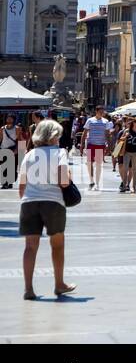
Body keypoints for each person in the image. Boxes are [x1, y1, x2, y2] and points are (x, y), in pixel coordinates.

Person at [19, 119, 76, 301]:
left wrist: (30, 198)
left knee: (30, 247)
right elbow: (63, 181)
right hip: (53, 203)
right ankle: (59, 284)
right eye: (58, 135)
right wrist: (68, 175)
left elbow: (22, 186)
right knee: (57, 245)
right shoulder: (60, 153)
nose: (59, 139)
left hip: (29, 202)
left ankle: (28, 289)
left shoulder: (29, 155)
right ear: (52, 137)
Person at [82, 106, 111, 191]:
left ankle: (97, 184)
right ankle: (91, 181)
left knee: (98, 165)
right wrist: (82, 145)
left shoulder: (106, 121)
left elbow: (107, 134)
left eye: (103, 112)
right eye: (100, 111)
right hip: (91, 144)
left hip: (100, 145)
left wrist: (109, 145)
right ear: (96, 111)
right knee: (89, 163)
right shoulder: (90, 120)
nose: (102, 113)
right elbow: (85, 132)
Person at [119, 118, 136, 193]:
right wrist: (125, 136)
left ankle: (134, 187)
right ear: (133, 123)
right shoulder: (127, 131)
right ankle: (124, 185)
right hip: (127, 152)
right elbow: (121, 139)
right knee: (125, 169)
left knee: (135, 170)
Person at [0, 114, 17, 189]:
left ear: (13, 120)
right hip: (3, 148)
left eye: (10, 119)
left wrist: (17, 150)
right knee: (3, 167)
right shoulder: (2, 129)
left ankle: (10, 183)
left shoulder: (17, 128)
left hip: (12, 149)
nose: (9, 120)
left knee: (11, 167)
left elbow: (19, 140)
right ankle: (4, 183)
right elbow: (0, 139)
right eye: (8, 118)